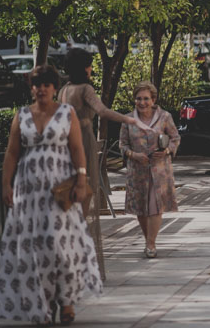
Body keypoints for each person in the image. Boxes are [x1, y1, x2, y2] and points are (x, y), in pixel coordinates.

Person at [0, 65, 102, 326]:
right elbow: (11, 153)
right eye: (36, 84)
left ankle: (66, 300)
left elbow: (77, 148)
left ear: (55, 88)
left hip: (59, 190)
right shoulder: (22, 115)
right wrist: (6, 185)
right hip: (28, 192)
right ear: (31, 87)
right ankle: (41, 303)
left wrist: (82, 179)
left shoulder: (67, 113)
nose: (41, 89)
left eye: (46, 84)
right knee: (34, 249)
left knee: (61, 245)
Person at [58, 48, 147, 278]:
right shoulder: (86, 89)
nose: (91, 69)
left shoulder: (64, 90)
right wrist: (129, 119)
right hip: (84, 141)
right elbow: (102, 111)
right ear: (83, 67)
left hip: (66, 143)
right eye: (89, 64)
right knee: (86, 199)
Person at [119, 81, 181, 258]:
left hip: (159, 168)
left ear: (153, 100)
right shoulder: (128, 120)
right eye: (138, 98)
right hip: (137, 169)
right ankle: (149, 240)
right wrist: (133, 154)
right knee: (141, 208)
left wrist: (167, 150)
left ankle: (151, 243)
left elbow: (175, 138)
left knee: (155, 206)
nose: (142, 102)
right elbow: (122, 144)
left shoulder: (165, 117)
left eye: (146, 98)